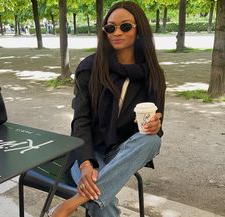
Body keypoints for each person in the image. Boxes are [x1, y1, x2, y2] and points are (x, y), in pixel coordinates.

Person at [49, 1, 166, 217]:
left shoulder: (153, 74)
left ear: (139, 29)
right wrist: (85, 163)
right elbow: (80, 120)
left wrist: (155, 125)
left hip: (124, 151)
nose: (116, 32)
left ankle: (74, 202)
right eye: (110, 27)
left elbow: (154, 129)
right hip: (90, 149)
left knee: (152, 140)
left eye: (125, 26)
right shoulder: (89, 68)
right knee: (104, 201)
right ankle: (90, 195)